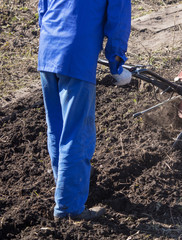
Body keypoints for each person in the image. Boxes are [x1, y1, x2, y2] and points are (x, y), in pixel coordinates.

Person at [37, 0, 132, 220]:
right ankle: (69, 208)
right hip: (76, 55)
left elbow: (43, 8)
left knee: (58, 129)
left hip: (48, 49)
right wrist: (116, 62)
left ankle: (65, 191)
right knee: (77, 132)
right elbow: (118, 19)